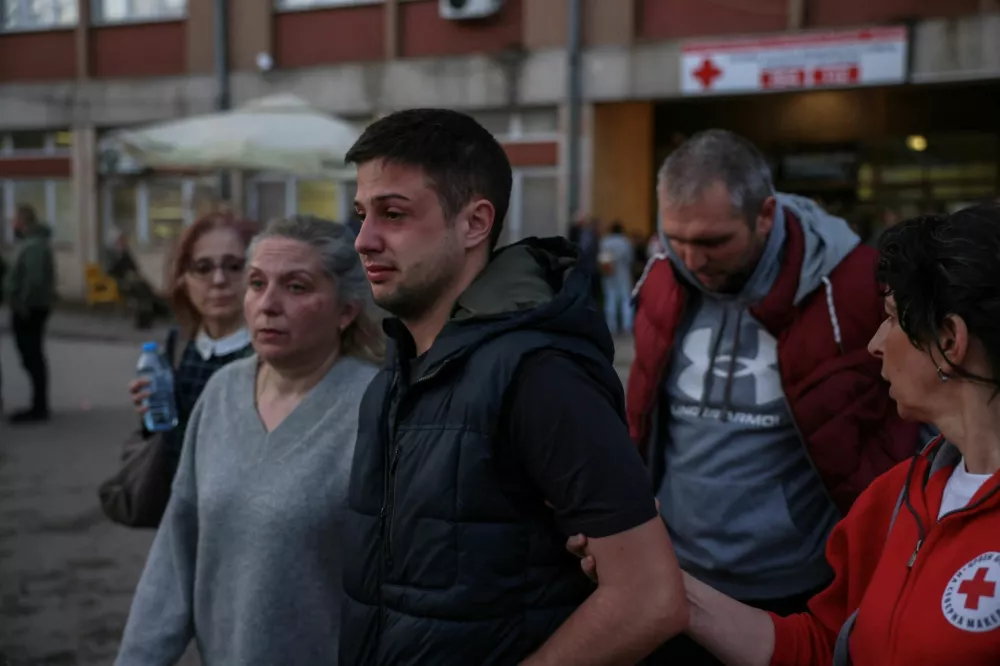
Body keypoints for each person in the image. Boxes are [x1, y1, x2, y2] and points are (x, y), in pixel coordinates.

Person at [572, 203, 1000, 665]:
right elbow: (823, 646)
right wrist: (661, 581)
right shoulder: (892, 500)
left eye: (893, 318)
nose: (875, 343)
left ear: (949, 341)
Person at [340, 108, 687, 666]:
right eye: (361, 214)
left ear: (475, 223)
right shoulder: (396, 372)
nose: (363, 240)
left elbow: (649, 598)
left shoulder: (540, 374)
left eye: (393, 214)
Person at [626, 129, 920, 664]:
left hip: (801, 590)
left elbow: (918, 420)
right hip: (675, 579)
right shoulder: (663, 275)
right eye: (675, 238)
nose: (691, 258)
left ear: (765, 215)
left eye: (713, 241)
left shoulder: (855, 286)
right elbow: (643, 416)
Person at [115, 216, 384, 665]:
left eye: (296, 287)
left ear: (346, 310)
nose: (268, 304)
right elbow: (176, 555)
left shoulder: (376, 408)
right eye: (257, 283)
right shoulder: (222, 391)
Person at [127, 213, 256, 462]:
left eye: (233, 266)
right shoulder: (180, 343)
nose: (219, 280)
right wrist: (149, 413)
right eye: (203, 268)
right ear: (183, 279)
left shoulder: (271, 350)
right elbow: (165, 435)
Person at [5, 204, 56, 424]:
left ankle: (39, 407)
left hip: (30, 309)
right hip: (31, 307)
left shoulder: (34, 245)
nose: (11, 224)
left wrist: (22, 305)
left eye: (14, 220)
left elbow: (34, 281)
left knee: (32, 355)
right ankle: (38, 405)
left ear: (23, 221)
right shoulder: (30, 243)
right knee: (31, 355)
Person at [598, 220, 635, 336]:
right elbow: (630, 259)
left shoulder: (605, 241)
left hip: (609, 273)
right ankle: (627, 325)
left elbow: (602, 258)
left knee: (610, 298)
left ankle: (611, 326)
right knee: (625, 299)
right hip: (623, 272)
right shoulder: (625, 242)